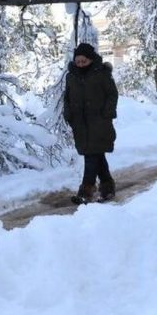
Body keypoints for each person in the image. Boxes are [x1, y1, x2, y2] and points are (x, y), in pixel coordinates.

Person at [63, 43, 119, 203]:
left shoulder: (101, 73)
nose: (80, 64)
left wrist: (107, 113)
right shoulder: (71, 76)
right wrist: (68, 114)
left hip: (99, 123)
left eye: (83, 61)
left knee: (91, 156)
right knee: (96, 155)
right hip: (80, 124)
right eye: (78, 61)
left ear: (90, 59)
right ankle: (107, 188)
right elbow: (67, 97)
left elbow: (112, 94)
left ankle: (85, 192)